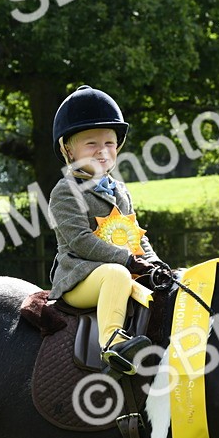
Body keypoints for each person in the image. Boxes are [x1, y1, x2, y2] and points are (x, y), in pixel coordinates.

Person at [48, 85, 165, 375]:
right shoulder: (65, 191)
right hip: (80, 278)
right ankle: (113, 344)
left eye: (109, 143)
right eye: (91, 144)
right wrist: (126, 261)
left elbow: (135, 236)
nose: (102, 151)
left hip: (124, 269)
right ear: (68, 149)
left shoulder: (121, 192)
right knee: (116, 274)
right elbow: (80, 242)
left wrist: (155, 264)